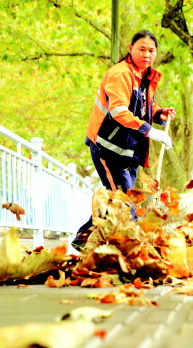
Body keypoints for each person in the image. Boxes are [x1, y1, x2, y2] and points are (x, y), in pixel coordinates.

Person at [72, 29, 176, 251]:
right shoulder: (120, 74)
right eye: (142, 49)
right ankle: (126, 249)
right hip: (107, 148)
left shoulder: (144, 77)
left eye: (151, 51)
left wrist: (159, 114)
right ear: (131, 49)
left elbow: (143, 106)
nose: (147, 55)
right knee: (124, 202)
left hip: (127, 150)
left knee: (119, 198)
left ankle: (84, 238)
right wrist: (151, 131)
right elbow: (119, 111)